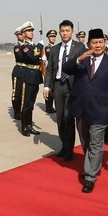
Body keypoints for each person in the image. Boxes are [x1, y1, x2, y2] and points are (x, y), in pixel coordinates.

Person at [63, 28, 108, 193]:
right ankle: (92, 165)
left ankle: (90, 176)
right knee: (85, 141)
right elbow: (65, 68)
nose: (97, 45)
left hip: (101, 109)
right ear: (89, 44)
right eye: (94, 42)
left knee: (96, 143)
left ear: (104, 44)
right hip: (81, 108)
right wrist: (78, 59)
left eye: (100, 42)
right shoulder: (82, 60)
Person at [43, 20, 85, 161]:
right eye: (62, 31)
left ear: (72, 32)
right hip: (58, 86)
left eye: (67, 30)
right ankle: (64, 144)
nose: (65, 33)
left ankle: (69, 148)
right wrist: (47, 86)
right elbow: (50, 70)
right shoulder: (55, 49)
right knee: (60, 118)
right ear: (59, 32)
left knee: (68, 117)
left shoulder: (79, 47)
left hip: (72, 87)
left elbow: (84, 67)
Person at [17, 21, 43, 137]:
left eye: (32, 30)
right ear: (24, 33)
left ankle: (29, 125)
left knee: (31, 103)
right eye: (29, 31)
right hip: (28, 76)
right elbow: (32, 58)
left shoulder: (33, 46)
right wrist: (40, 47)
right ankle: (24, 126)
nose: (31, 33)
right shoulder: (25, 46)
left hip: (35, 76)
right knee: (26, 103)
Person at [11, 26, 24, 120]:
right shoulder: (17, 47)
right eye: (19, 34)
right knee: (17, 93)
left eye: (22, 33)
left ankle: (22, 111)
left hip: (27, 72)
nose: (22, 36)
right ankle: (16, 111)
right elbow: (21, 57)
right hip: (18, 70)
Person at [43, 29, 57, 114]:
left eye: (54, 37)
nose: (53, 38)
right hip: (50, 70)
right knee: (48, 88)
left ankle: (51, 106)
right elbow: (50, 56)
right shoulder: (48, 48)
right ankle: (48, 107)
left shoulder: (55, 47)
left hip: (55, 70)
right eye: (51, 37)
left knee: (54, 89)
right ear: (48, 38)